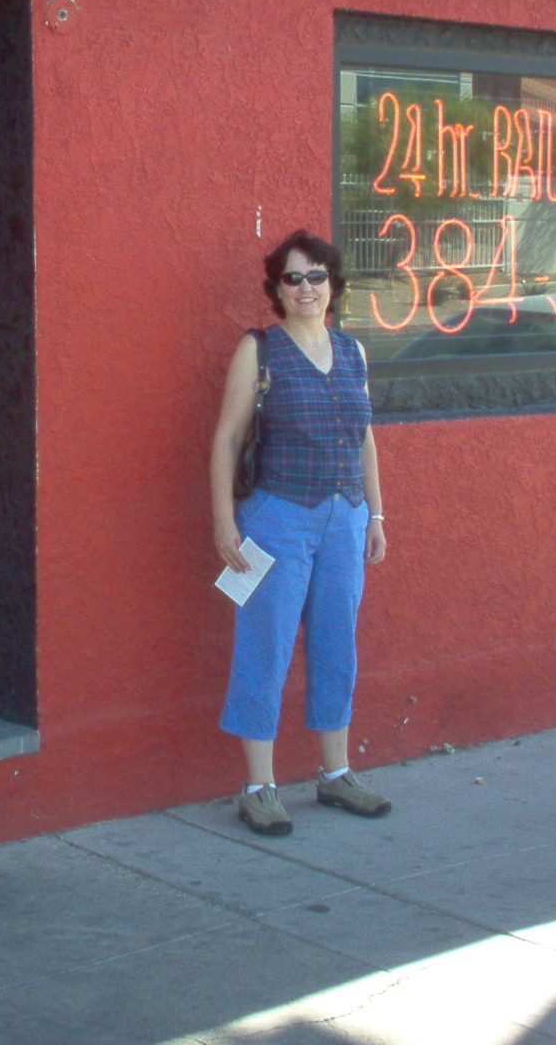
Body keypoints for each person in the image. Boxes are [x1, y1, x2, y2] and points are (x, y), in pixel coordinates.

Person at [209, 229, 389, 836]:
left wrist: (376, 514)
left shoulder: (353, 352)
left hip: (345, 517)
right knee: (266, 645)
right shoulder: (259, 350)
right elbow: (227, 438)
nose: (306, 287)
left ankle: (336, 774)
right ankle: (258, 787)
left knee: (337, 644)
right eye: (293, 278)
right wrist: (224, 522)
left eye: (316, 276)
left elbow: (364, 437)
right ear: (278, 289)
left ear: (333, 285)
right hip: (277, 518)